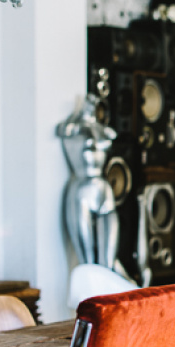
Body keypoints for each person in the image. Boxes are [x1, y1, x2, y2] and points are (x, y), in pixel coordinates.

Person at [57, 94, 119, 269]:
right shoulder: (75, 127)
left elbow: (112, 135)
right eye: (88, 103)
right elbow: (63, 130)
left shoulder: (100, 129)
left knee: (108, 261)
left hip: (102, 188)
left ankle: (112, 284)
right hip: (81, 189)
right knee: (87, 262)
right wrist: (77, 113)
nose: (92, 106)